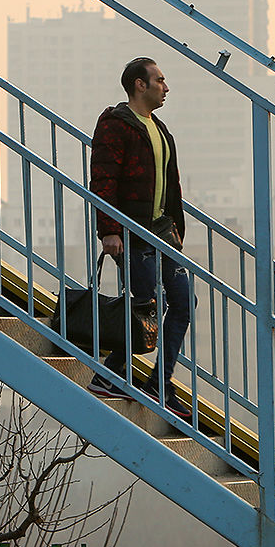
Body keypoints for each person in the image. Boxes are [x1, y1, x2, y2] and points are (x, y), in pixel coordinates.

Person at [86, 57, 193, 422]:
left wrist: (176, 225)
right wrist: (109, 229)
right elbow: (103, 181)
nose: (167, 87)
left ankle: (160, 384)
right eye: (160, 80)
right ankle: (108, 372)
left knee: (183, 302)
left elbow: (171, 185)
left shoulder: (160, 130)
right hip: (131, 230)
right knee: (144, 303)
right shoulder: (116, 126)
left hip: (161, 231)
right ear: (139, 85)